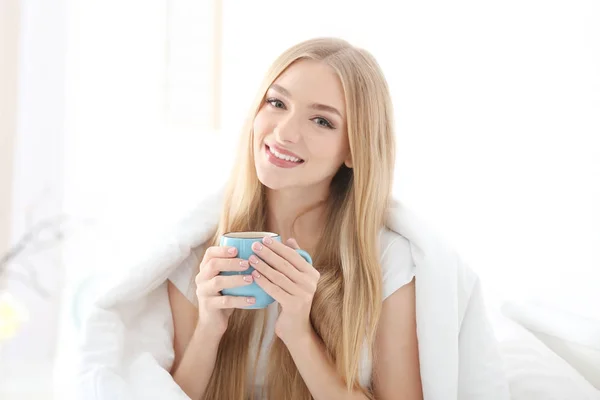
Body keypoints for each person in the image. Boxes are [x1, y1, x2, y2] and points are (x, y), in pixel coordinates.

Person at [167, 37, 421, 400]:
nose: (284, 132)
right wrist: (209, 328)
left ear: (354, 148)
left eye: (321, 121)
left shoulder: (387, 261)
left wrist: (299, 334)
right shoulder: (197, 247)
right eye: (277, 102)